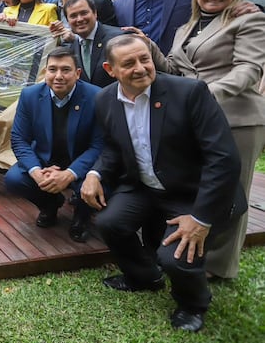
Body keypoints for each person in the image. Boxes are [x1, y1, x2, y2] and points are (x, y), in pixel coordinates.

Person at [81, 34, 246, 333]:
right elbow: (113, 146)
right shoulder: (104, 99)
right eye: (129, 63)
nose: (141, 68)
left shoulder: (190, 92)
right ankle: (144, 277)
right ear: (110, 69)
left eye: (145, 59)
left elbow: (224, 159)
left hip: (195, 193)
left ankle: (193, 304)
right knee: (109, 222)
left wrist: (201, 218)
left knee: (174, 255)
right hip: (145, 186)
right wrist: (95, 174)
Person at [153, 0, 265, 280]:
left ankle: (220, 266)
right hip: (200, 119)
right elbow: (175, 68)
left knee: (233, 192)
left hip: (237, 117)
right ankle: (195, 250)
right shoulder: (185, 27)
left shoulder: (249, 19)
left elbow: (248, 71)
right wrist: (148, 46)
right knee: (204, 187)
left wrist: (201, 97)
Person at [5, 47, 103, 242]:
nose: (58, 76)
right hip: (45, 160)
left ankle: (82, 216)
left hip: (81, 164)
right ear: (45, 72)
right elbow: (19, 138)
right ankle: (50, 204)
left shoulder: (97, 97)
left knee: (98, 183)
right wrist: (36, 171)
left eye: (65, 70)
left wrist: (69, 174)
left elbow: (99, 145)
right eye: (53, 69)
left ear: (77, 73)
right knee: (14, 179)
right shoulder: (29, 95)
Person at [63, 0, 125, 88]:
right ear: (67, 21)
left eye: (84, 13)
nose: (79, 19)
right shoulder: (71, 48)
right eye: (73, 16)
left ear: (95, 13)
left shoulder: (118, 39)